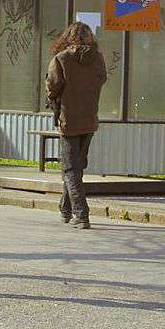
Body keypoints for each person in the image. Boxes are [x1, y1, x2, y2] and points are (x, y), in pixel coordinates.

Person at [46, 22, 107, 229]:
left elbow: (52, 86)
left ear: (67, 37)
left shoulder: (61, 58)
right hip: (89, 118)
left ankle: (81, 214)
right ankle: (65, 209)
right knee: (76, 165)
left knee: (70, 167)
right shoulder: (98, 59)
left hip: (68, 119)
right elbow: (102, 80)